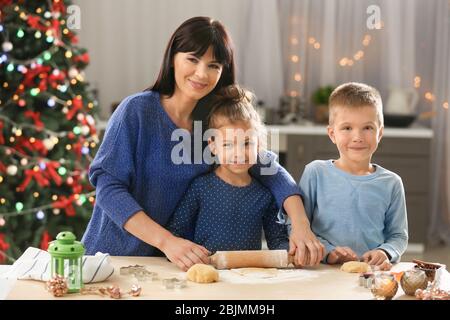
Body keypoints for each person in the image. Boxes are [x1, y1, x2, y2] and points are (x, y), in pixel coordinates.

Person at [82, 16, 324, 271]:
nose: (201, 73)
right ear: (173, 57)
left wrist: (300, 225)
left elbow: (271, 171)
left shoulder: (215, 125)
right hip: (112, 257)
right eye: (193, 59)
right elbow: (108, 189)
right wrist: (167, 242)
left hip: (173, 265)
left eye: (214, 65)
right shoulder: (137, 111)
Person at [293, 82, 408, 270]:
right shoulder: (315, 173)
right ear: (332, 133)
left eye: (368, 128)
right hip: (323, 271)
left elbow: (398, 236)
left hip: (370, 274)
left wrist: (385, 252)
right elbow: (298, 226)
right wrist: (329, 252)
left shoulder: (392, 183)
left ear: (380, 133)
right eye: (347, 128)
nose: (358, 137)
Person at [167, 85, 290, 253]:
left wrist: (294, 252)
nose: (239, 153)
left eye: (247, 143)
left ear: (259, 144)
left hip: (248, 275)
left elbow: (277, 241)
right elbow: (176, 231)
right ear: (213, 146)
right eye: (227, 144)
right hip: (207, 270)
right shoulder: (200, 187)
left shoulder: (265, 195)